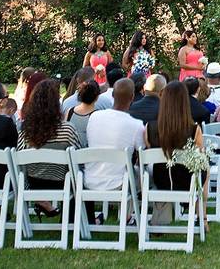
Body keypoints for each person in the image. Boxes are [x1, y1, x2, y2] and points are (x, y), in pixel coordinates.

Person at [145, 81, 209, 228]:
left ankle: (161, 217)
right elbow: (200, 157)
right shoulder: (194, 129)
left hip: (160, 179)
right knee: (205, 166)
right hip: (186, 180)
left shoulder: (150, 128)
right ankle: (202, 217)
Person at [17, 79, 81, 220]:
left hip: (34, 183)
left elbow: (19, 159)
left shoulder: (26, 131)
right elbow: (77, 159)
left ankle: (43, 205)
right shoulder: (67, 129)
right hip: (62, 183)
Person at [85, 79, 145, 225]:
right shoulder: (136, 125)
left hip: (90, 178)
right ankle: (127, 217)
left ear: (113, 95)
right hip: (119, 182)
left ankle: (126, 216)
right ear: (132, 97)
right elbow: (142, 156)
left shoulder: (94, 117)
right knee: (141, 172)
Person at [0, 82, 18, 220]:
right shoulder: (6, 123)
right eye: (7, 96)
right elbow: (14, 151)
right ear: (1, 102)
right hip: (0, 180)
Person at [65, 80, 100, 147]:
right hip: (88, 154)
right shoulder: (97, 116)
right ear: (97, 97)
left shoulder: (69, 112)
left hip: (72, 154)